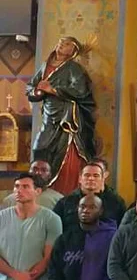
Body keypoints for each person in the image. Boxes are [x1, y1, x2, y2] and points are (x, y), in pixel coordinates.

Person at [27, 37, 97, 193]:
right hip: (48, 115)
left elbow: (80, 90)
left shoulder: (73, 68)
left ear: (73, 51)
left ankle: (64, 191)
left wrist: (52, 90)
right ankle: (39, 188)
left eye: (66, 44)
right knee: (40, 147)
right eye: (60, 42)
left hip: (67, 116)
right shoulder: (45, 66)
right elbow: (31, 86)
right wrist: (37, 91)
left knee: (66, 152)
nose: (61, 45)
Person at [0, 174, 62, 280]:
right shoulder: (2, 217)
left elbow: (49, 257)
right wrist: (14, 275)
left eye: (25, 186)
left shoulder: (51, 219)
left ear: (38, 191)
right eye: (17, 186)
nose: (19, 191)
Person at [54, 161, 126, 233]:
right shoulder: (65, 202)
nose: (91, 178)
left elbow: (122, 231)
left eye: (96, 175)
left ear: (102, 179)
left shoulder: (116, 202)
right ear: (80, 179)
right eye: (87, 175)